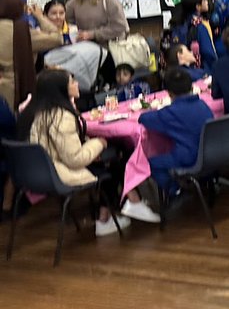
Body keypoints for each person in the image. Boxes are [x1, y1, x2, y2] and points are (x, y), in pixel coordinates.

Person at [17, 69, 157, 233]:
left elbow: (61, 147)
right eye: (72, 82)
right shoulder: (61, 117)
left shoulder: (33, 112)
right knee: (118, 158)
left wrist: (90, 145)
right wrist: (99, 143)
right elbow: (75, 159)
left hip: (38, 173)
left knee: (113, 153)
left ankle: (132, 202)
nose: (77, 84)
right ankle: (107, 217)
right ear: (61, 89)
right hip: (60, 173)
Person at [140, 67, 214, 194]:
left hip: (190, 158)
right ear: (191, 87)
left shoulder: (170, 113)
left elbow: (144, 119)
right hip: (212, 153)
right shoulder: (203, 105)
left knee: (149, 162)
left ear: (169, 93)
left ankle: (176, 191)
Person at [168, 0, 217, 70]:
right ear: (198, 6)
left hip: (178, 69)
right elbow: (208, 53)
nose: (207, 2)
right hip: (199, 70)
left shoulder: (177, 24)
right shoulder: (199, 25)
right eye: (204, 0)